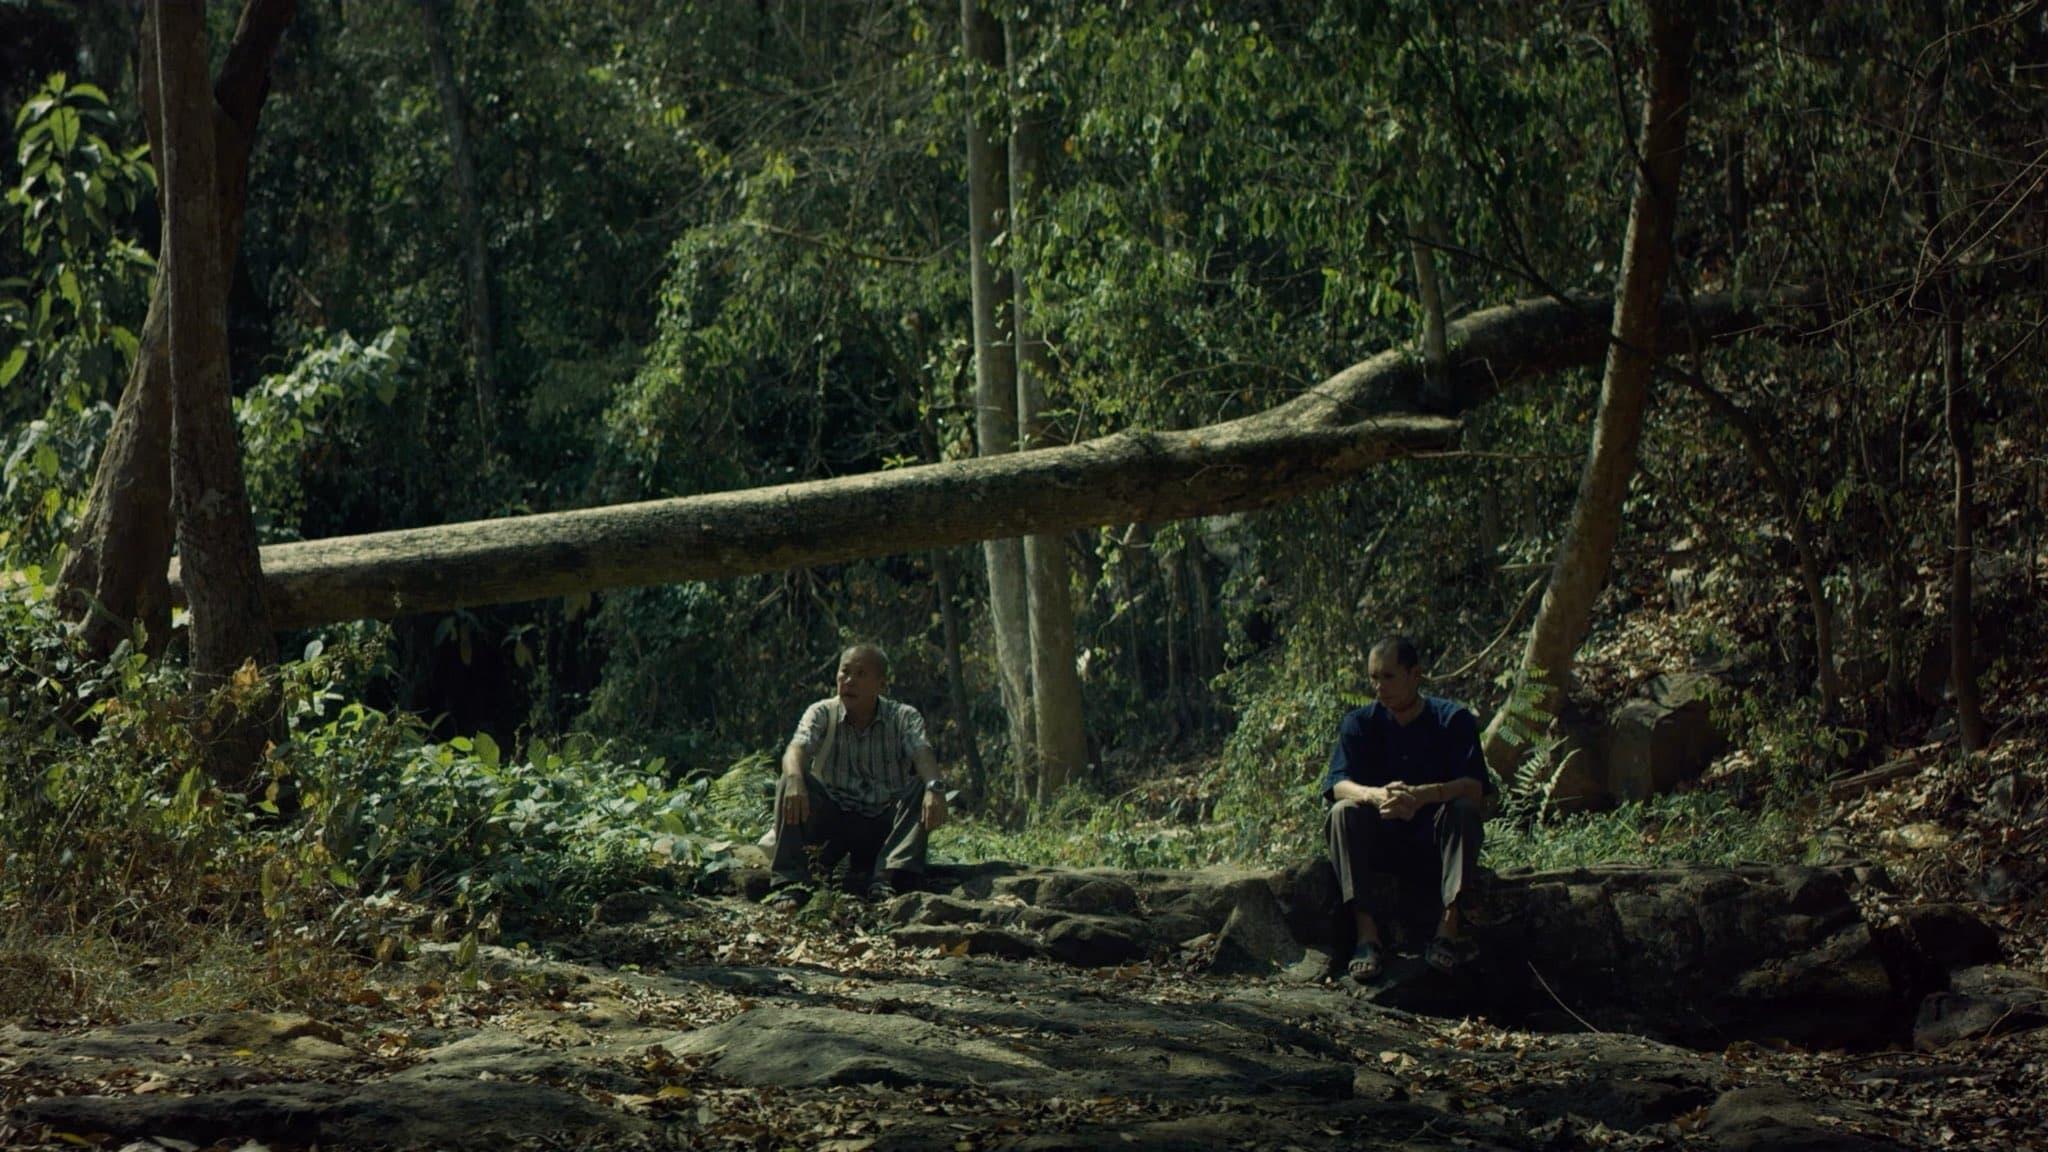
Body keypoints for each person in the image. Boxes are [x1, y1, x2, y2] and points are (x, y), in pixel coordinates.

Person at [1321, 636, 1492, 980]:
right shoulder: (1359, 724)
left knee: (1462, 810)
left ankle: (1448, 931)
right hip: (1380, 841)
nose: (1378, 687)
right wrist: (1376, 795)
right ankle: (1366, 936)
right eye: (1373, 678)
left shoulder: (1452, 720)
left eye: (1388, 677)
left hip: (1434, 842)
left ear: (1415, 675)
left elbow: (1475, 788)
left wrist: (1421, 795)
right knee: (1342, 812)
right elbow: (1338, 783)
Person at [769, 643, 948, 908]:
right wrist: (795, 779)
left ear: (881, 685)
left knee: (924, 785)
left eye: (861, 674)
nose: (849, 681)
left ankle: (886, 879)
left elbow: (922, 753)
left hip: (883, 829)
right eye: (845, 672)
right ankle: (790, 883)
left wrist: (935, 788)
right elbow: (797, 747)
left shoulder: (903, 717)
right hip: (832, 825)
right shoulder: (821, 712)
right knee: (791, 778)